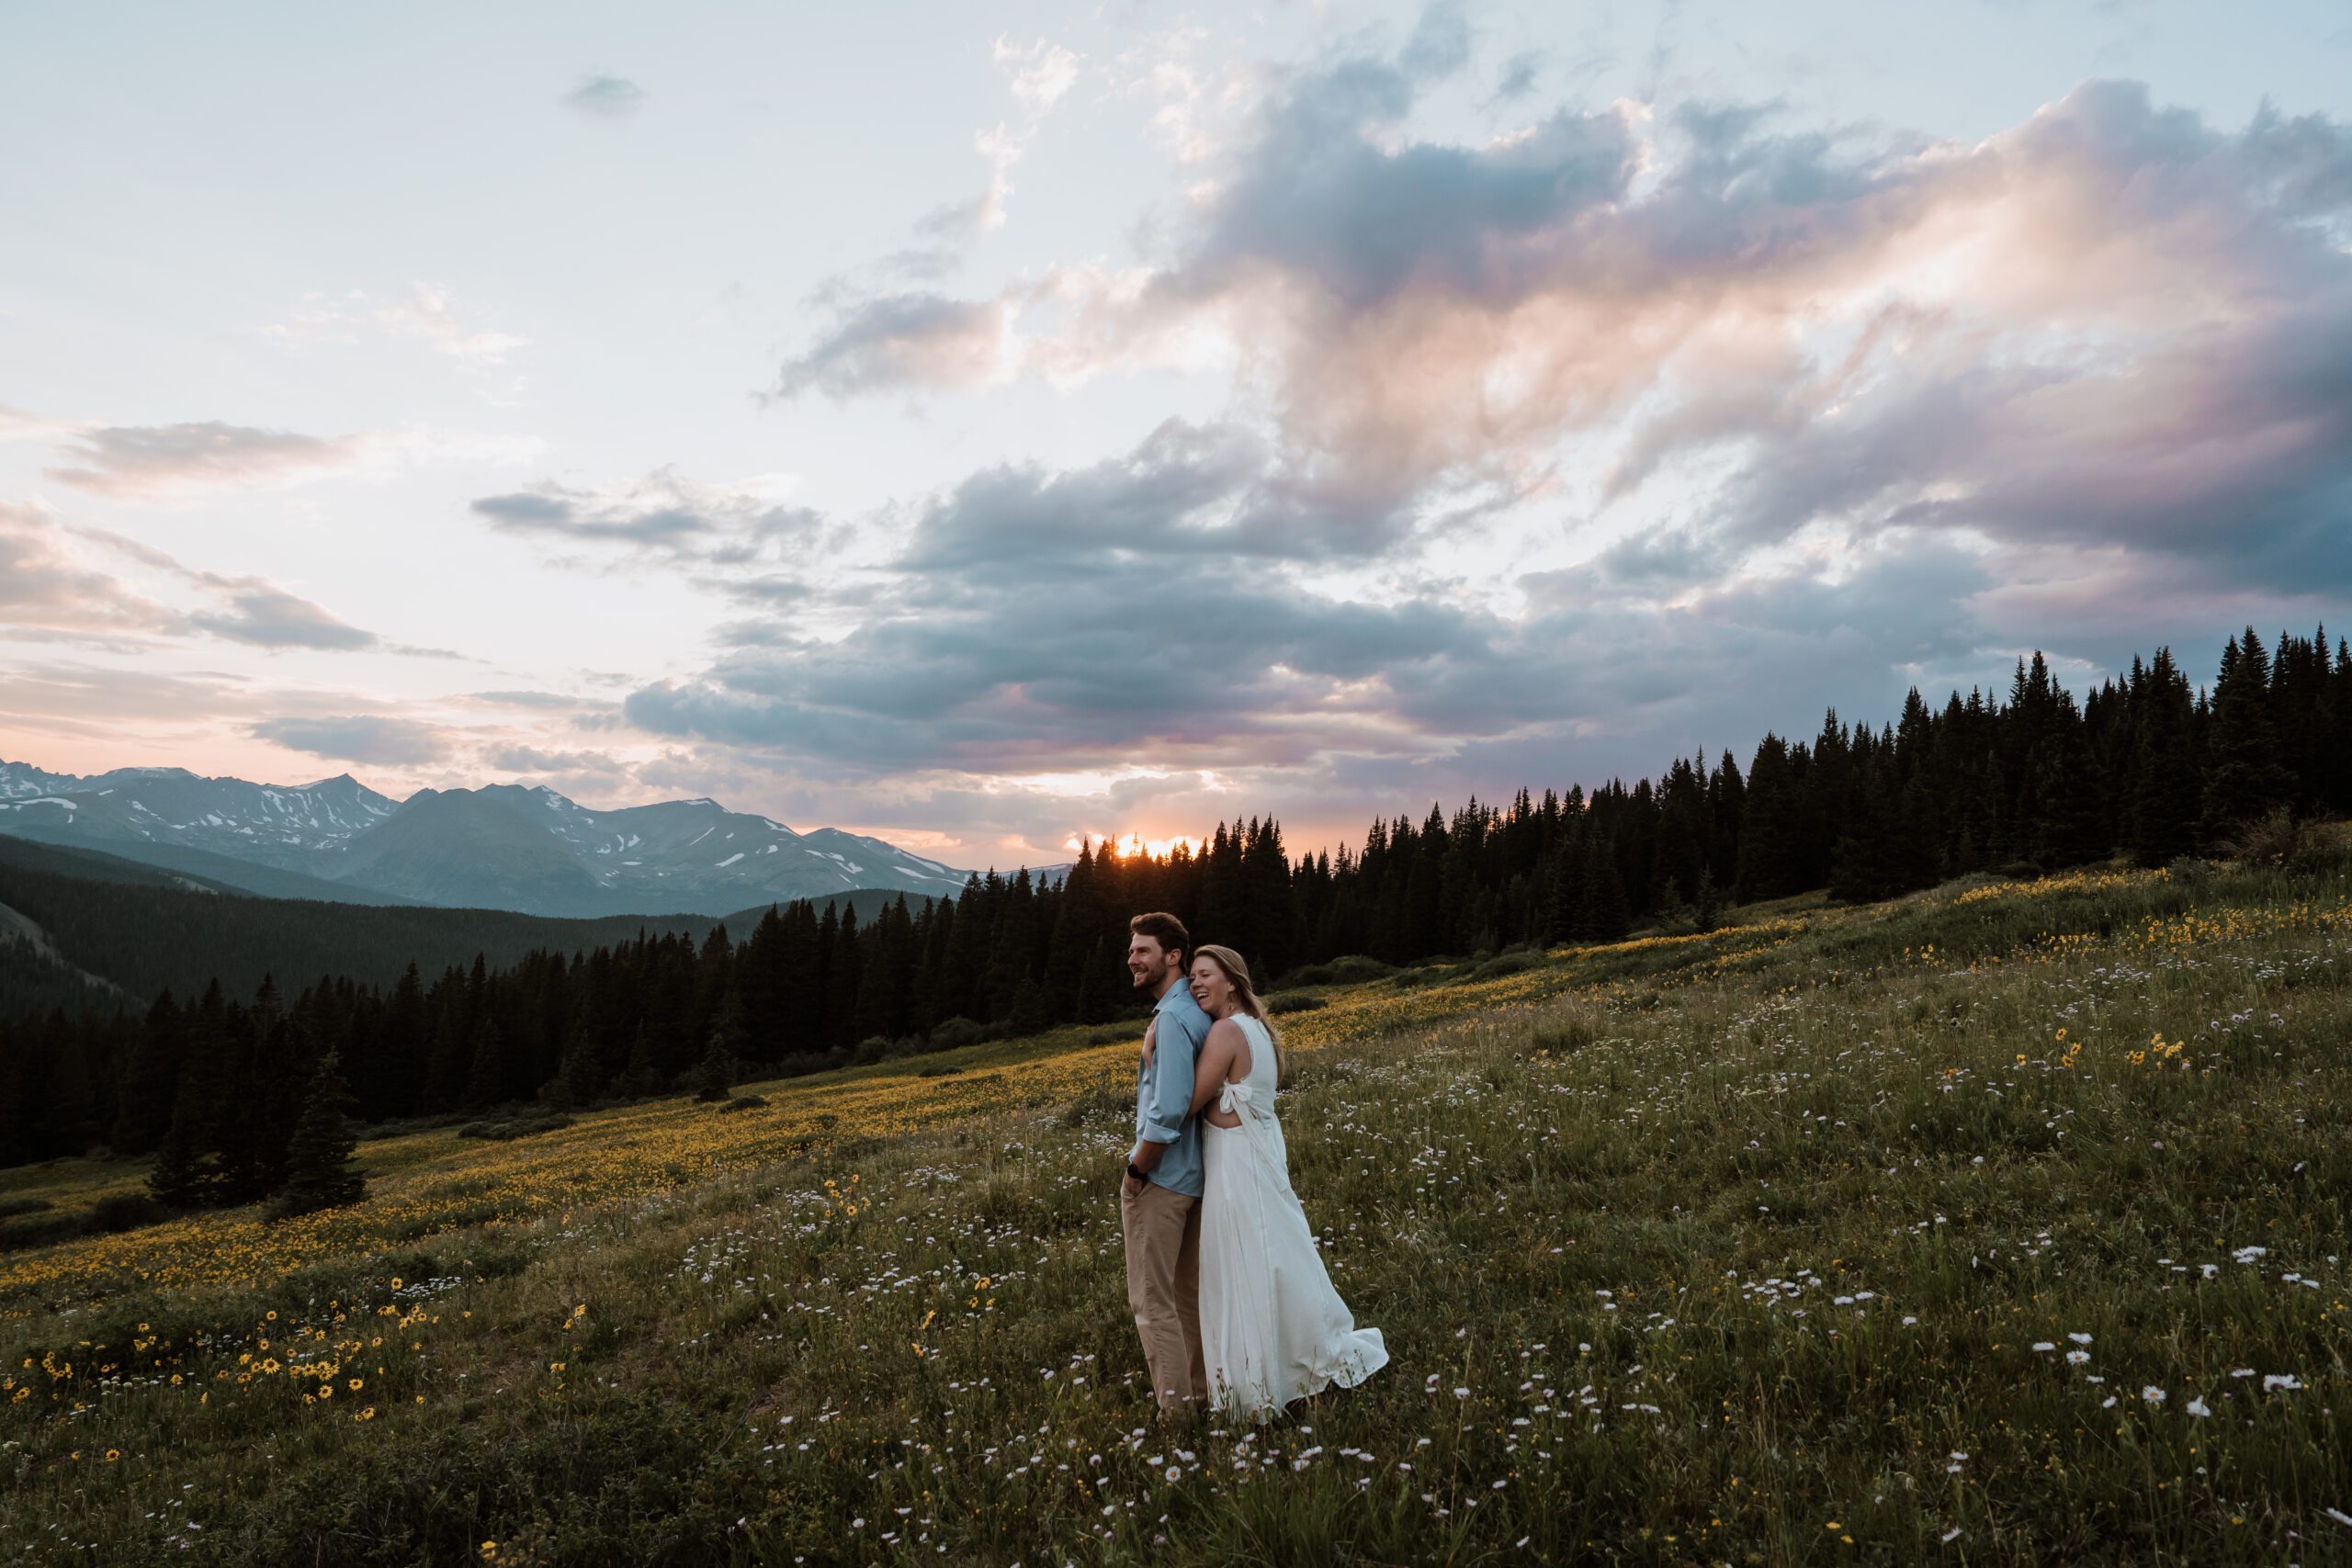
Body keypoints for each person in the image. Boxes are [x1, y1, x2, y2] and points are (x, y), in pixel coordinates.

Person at [1186, 943, 1387, 1420]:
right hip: (1261, 1158)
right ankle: (1300, 1348)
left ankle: (1258, 1372)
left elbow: (1188, 1102)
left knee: (1244, 1261)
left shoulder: (1226, 1032)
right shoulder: (1260, 1031)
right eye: (1191, 976)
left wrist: (1155, 1050)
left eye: (1204, 975)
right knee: (1275, 1254)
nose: (1195, 983)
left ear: (1231, 982)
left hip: (1236, 1163)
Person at [1120, 910, 1213, 1423]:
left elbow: (1171, 1105)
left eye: (1142, 950)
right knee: (1185, 1300)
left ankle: (1178, 1421)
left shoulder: (1175, 1018)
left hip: (1163, 1180)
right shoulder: (1197, 1012)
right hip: (1195, 1176)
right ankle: (1197, 1397)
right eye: (1132, 950)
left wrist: (1138, 1170)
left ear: (1172, 956)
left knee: (1152, 1304)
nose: (1131, 958)